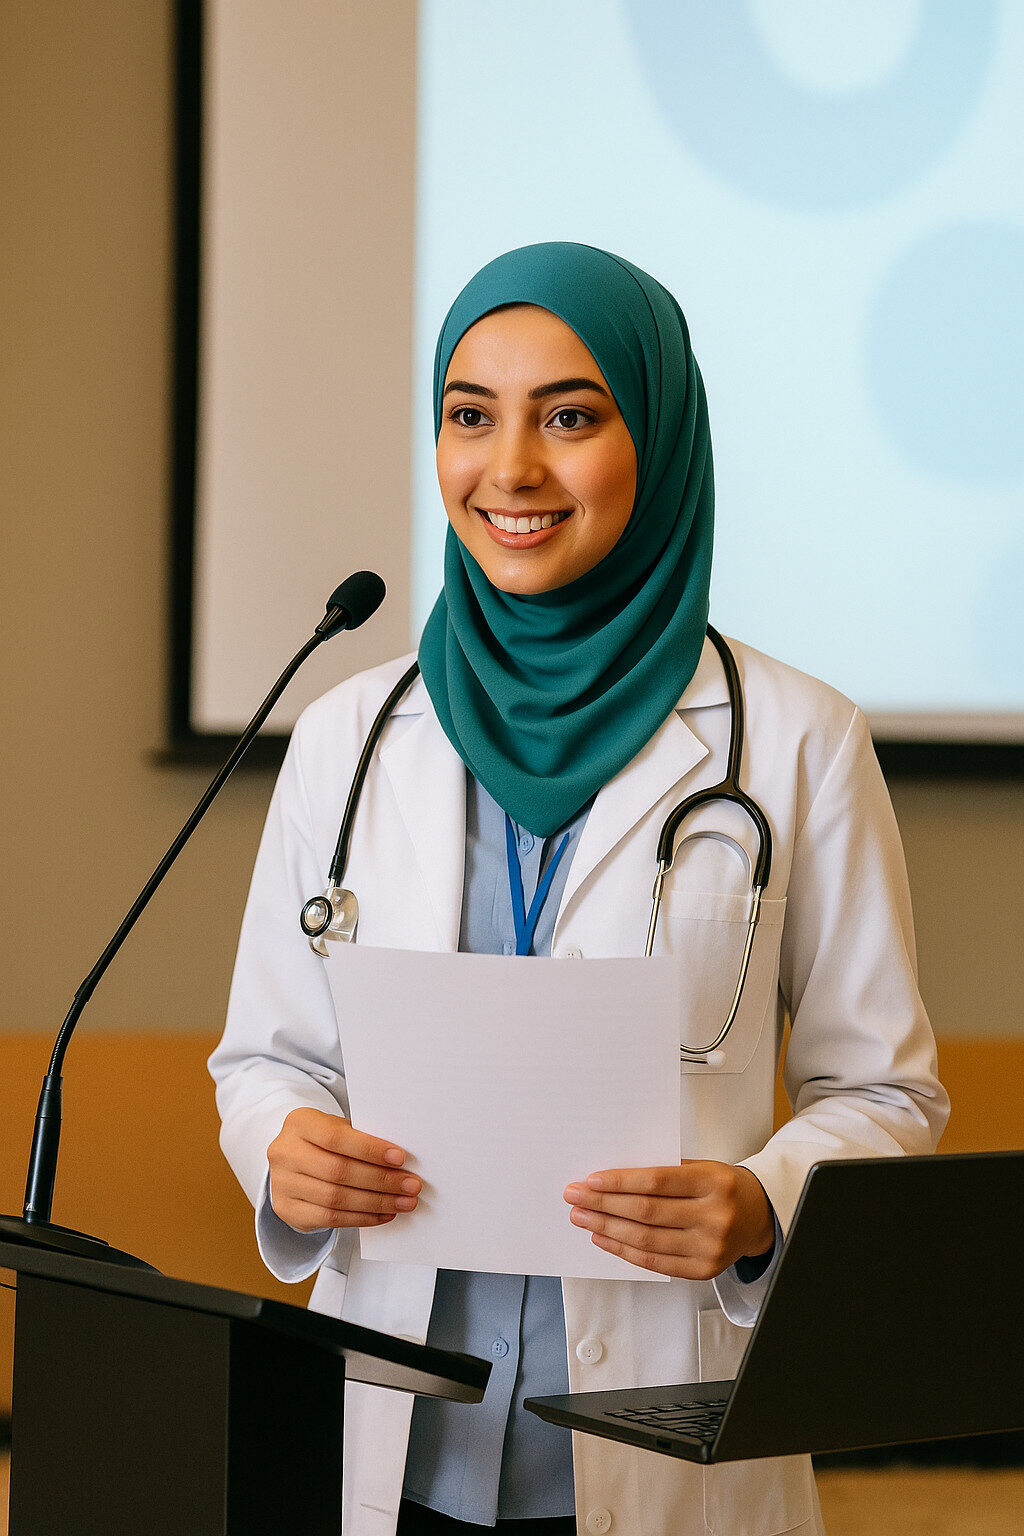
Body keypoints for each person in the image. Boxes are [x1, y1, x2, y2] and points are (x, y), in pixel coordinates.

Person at [208, 242, 949, 1536]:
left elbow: (886, 1093)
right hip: (396, 1453)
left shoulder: (795, 738)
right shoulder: (348, 730)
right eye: (469, 415)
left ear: (655, 436)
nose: (511, 470)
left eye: (571, 416)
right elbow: (266, 1059)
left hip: (663, 1438)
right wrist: (284, 1155)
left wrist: (764, 1203)